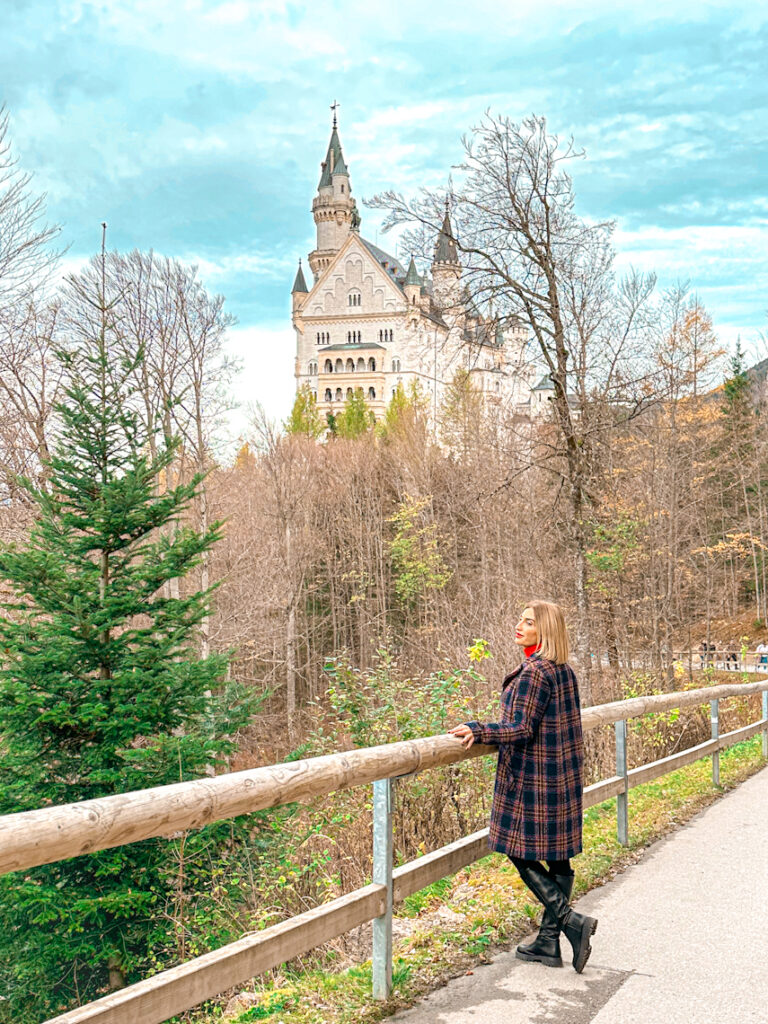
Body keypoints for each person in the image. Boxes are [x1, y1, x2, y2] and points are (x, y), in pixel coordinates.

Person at [449, 600, 597, 974]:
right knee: (557, 856)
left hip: (533, 778)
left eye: (528, 622)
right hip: (560, 775)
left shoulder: (536, 673)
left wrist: (479, 729)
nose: (519, 626)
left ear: (543, 631)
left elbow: (520, 727)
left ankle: (569, 921)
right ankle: (549, 941)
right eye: (520, 619)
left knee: (514, 848)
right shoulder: (563, 670)